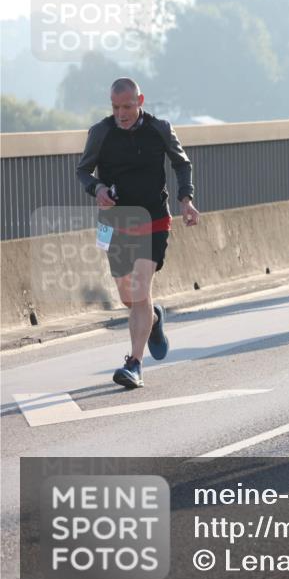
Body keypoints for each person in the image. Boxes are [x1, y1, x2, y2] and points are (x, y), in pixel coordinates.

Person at [75, 78, 198, 389]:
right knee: (129, 297)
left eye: (127, 107)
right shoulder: (100, 132)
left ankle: (134, 364)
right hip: (114, 221)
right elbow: (83, 170)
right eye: (116, 107)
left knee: (140, 288)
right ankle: (153, 319)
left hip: (153, 219)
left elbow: (181, 164)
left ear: (140, 100)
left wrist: (186, 199)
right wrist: (97, 187)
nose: (121, 114)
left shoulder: (160, 129)